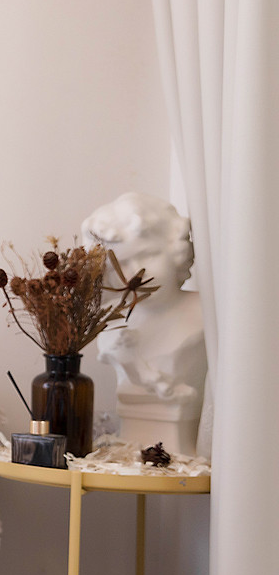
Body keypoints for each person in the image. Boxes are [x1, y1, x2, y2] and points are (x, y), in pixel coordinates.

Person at [80, 192, 206, 454]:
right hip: (130, 445)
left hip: (184, 449)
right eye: (121, 262)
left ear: (176, 249)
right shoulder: (111, 323)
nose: (136, 272)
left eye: (148, 255)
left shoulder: (204, 315)